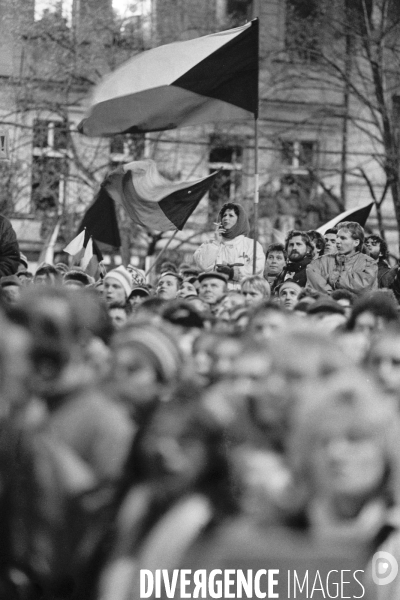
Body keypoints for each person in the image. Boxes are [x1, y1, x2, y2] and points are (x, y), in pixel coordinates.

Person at [193, 202, 265, 286]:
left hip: (243, 293)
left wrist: (232, 273)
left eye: (231, 215)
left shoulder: (252, 245)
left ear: (239, 220)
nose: (226, 218)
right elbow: (204, 265)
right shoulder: (210, 243)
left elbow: (257, 268)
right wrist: (215, 243)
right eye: (224, 215)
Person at [306, 221, 378, 296]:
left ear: (356, 242)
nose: (337, 241)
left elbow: (362, 286)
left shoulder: (369, 263)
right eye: (337, 237)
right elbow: (314, 290)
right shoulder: (319, 262)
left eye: (343, 238)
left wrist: (333, 277)